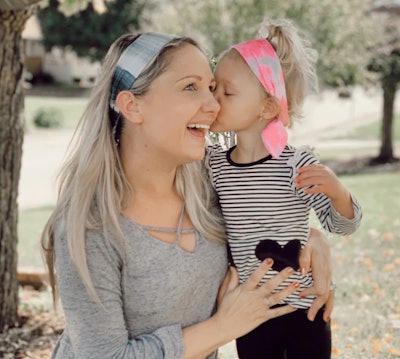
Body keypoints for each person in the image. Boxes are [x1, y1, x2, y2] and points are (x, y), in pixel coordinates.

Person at [41, 31, 334, 359]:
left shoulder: (212, 186)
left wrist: (312, 241)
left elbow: (264, 218)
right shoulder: (89, 225)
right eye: (190, 87)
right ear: (132, 106)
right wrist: (222, 328)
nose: (213, 105)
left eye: (211, 87)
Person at [208, 18, 363, 359]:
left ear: (266, 107)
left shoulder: (296, 164)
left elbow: (341, 225)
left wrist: (338, 193)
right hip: (251, 316)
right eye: (212, 87)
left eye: (227, 92)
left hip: (305, 312)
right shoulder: (214, 165)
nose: (214, 98)